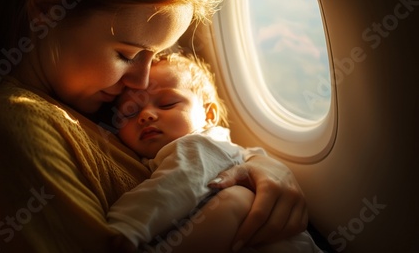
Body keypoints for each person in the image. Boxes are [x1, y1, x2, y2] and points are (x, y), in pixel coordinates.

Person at [0, 0, 308, 252]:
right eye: (127, 55)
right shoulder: (7, 132)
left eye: (156, 56)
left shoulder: (100, 108)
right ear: (46, 7)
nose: (141, 82)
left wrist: (260, 166)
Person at [107, 52, 322, 253]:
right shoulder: (229, 151)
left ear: (208, 114)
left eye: (167, 103)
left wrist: (126, 224)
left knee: (234, 202)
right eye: (131, 111)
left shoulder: (201, 144)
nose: (145, 115)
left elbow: (181, 181)